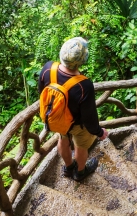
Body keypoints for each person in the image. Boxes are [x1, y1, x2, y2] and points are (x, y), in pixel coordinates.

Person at [38, 37, 108, 181]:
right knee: (81, 146)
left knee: (63, 139)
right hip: (77, 125)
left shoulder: (48, 69)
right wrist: (99, 132)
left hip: (57, 119)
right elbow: (89, 117)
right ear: (83, 60)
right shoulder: (84, 85)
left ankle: (69, 167)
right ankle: (80, 172)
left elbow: (42, 93)